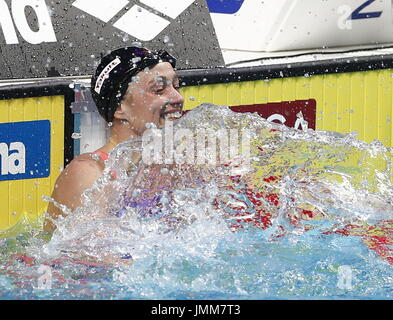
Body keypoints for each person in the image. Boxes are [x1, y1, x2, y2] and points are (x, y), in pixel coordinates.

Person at [44, 47, 184, 233]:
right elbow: (90, 257)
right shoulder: (90, 173)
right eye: (159, 90)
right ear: (120, 108)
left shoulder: (166, 167)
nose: (178, 97)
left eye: (176, 86)